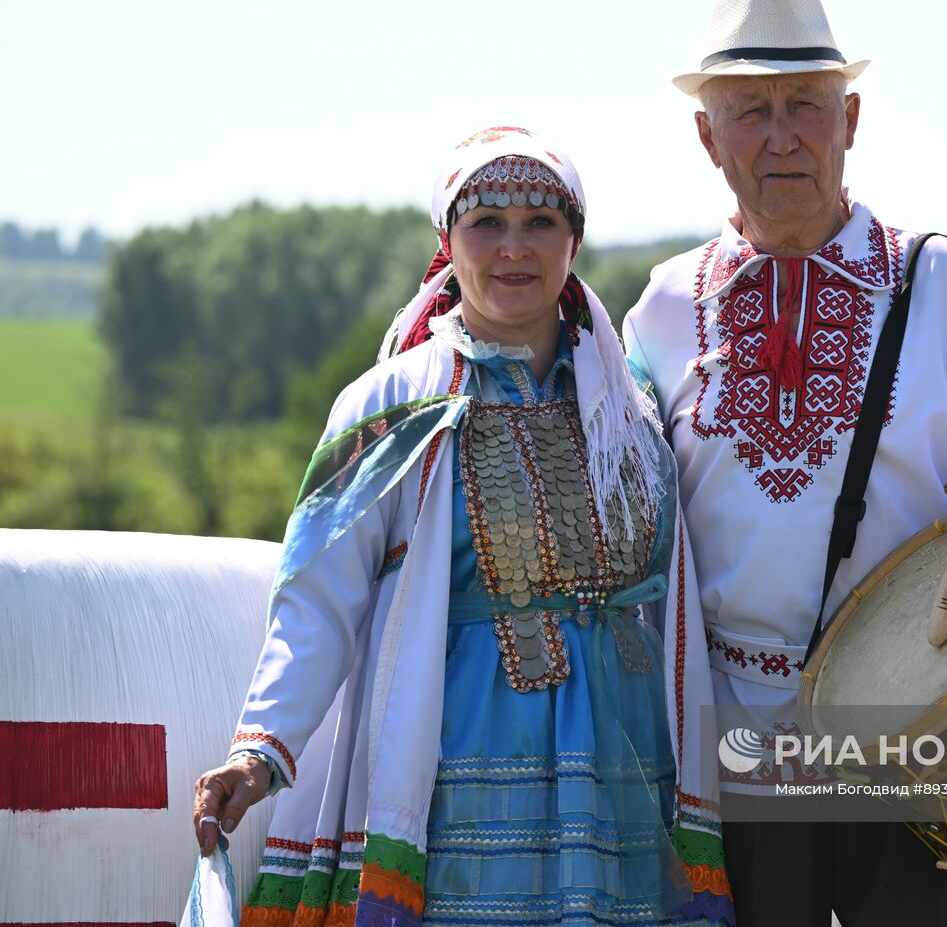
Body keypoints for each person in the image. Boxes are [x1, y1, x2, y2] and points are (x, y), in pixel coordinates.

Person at [190, 127, 734, 927]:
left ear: (573, 241)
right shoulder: (392, 405)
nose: (514, 248)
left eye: (540, 223)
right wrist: (260, 750)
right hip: (465, 760)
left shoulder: (630, 411)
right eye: (487, 223)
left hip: (625, 765)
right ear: (447, 242)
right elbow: (318, 598)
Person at [622, 0, 947, 925]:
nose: (781, 137)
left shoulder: (943, 283)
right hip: (738, 746)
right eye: (750, 112)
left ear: (851, 122)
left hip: (925, 725)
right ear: (709, 139)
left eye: (806, 107)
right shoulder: (663, 310)